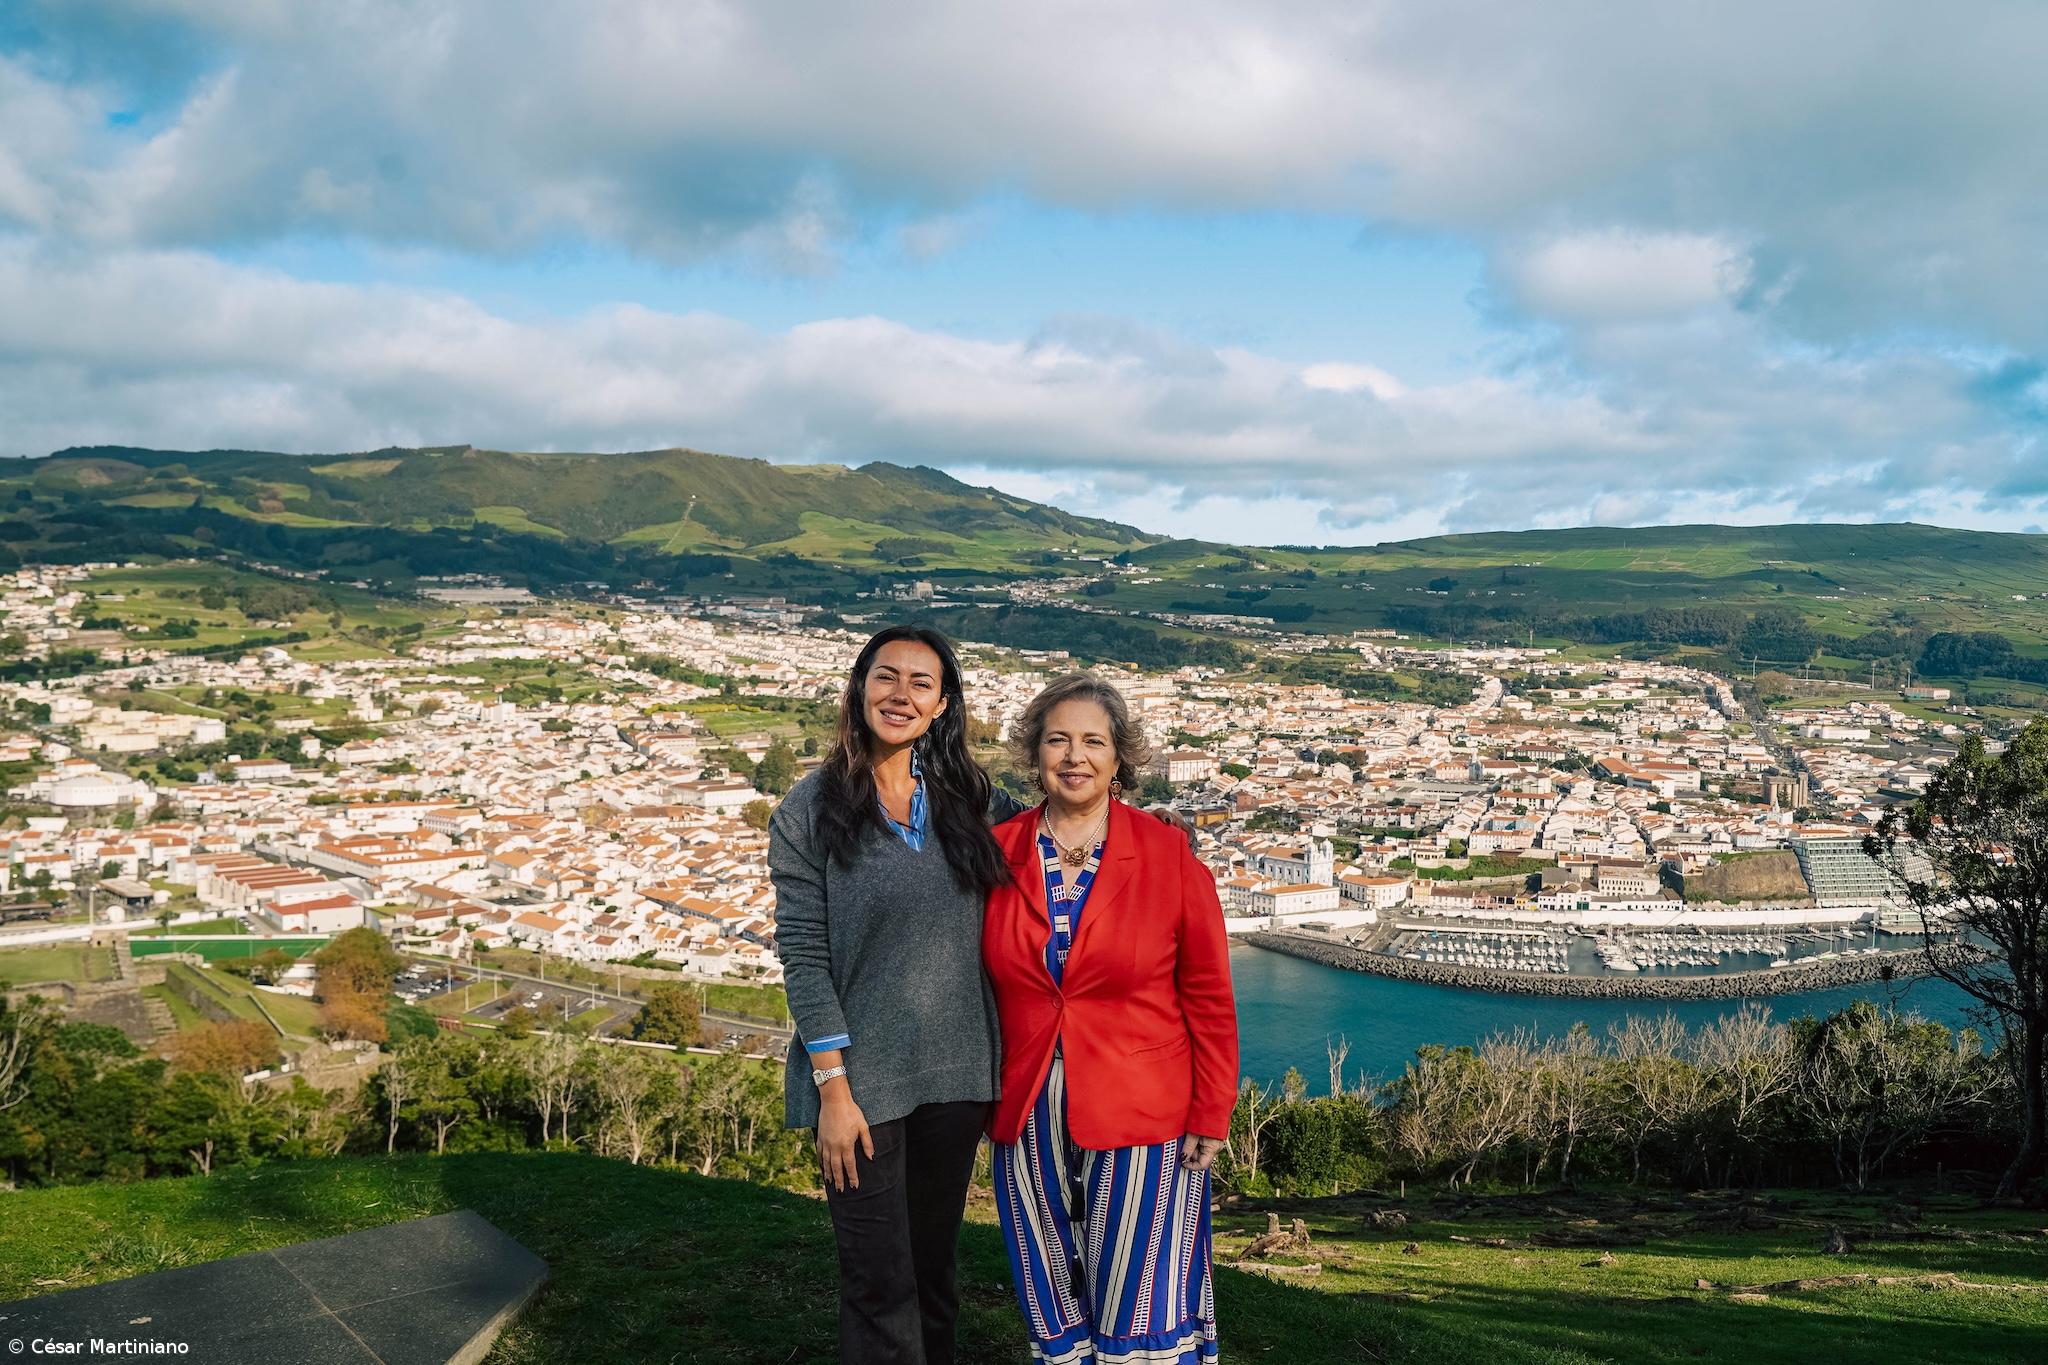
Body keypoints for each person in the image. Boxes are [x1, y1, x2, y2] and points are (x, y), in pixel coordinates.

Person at [770, 625, 1012, 1365]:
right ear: (859, 687)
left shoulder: (975, 801)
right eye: (886, 676)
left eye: (920, 682)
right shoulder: (808, 809)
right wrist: (833, 1092)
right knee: (879, 1281)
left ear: (943, 705)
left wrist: (1159, 836)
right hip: (859, 1088)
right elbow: (804, 960)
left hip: (959, 1076)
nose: (900, 694)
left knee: (933, 1271)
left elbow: (1066, 835)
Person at [982, 672, 1238, 1365]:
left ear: (1119, 756)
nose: (1074, 755)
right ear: (1033, 754)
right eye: (1057, 739)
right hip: (1028, 1107)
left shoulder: (1167, 854)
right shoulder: (997, 853)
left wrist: (1211, 1112)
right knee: (1049, 1294)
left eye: (1093, 740)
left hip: (1144, 1112)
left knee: (1141, 1299)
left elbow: (1210, 997)